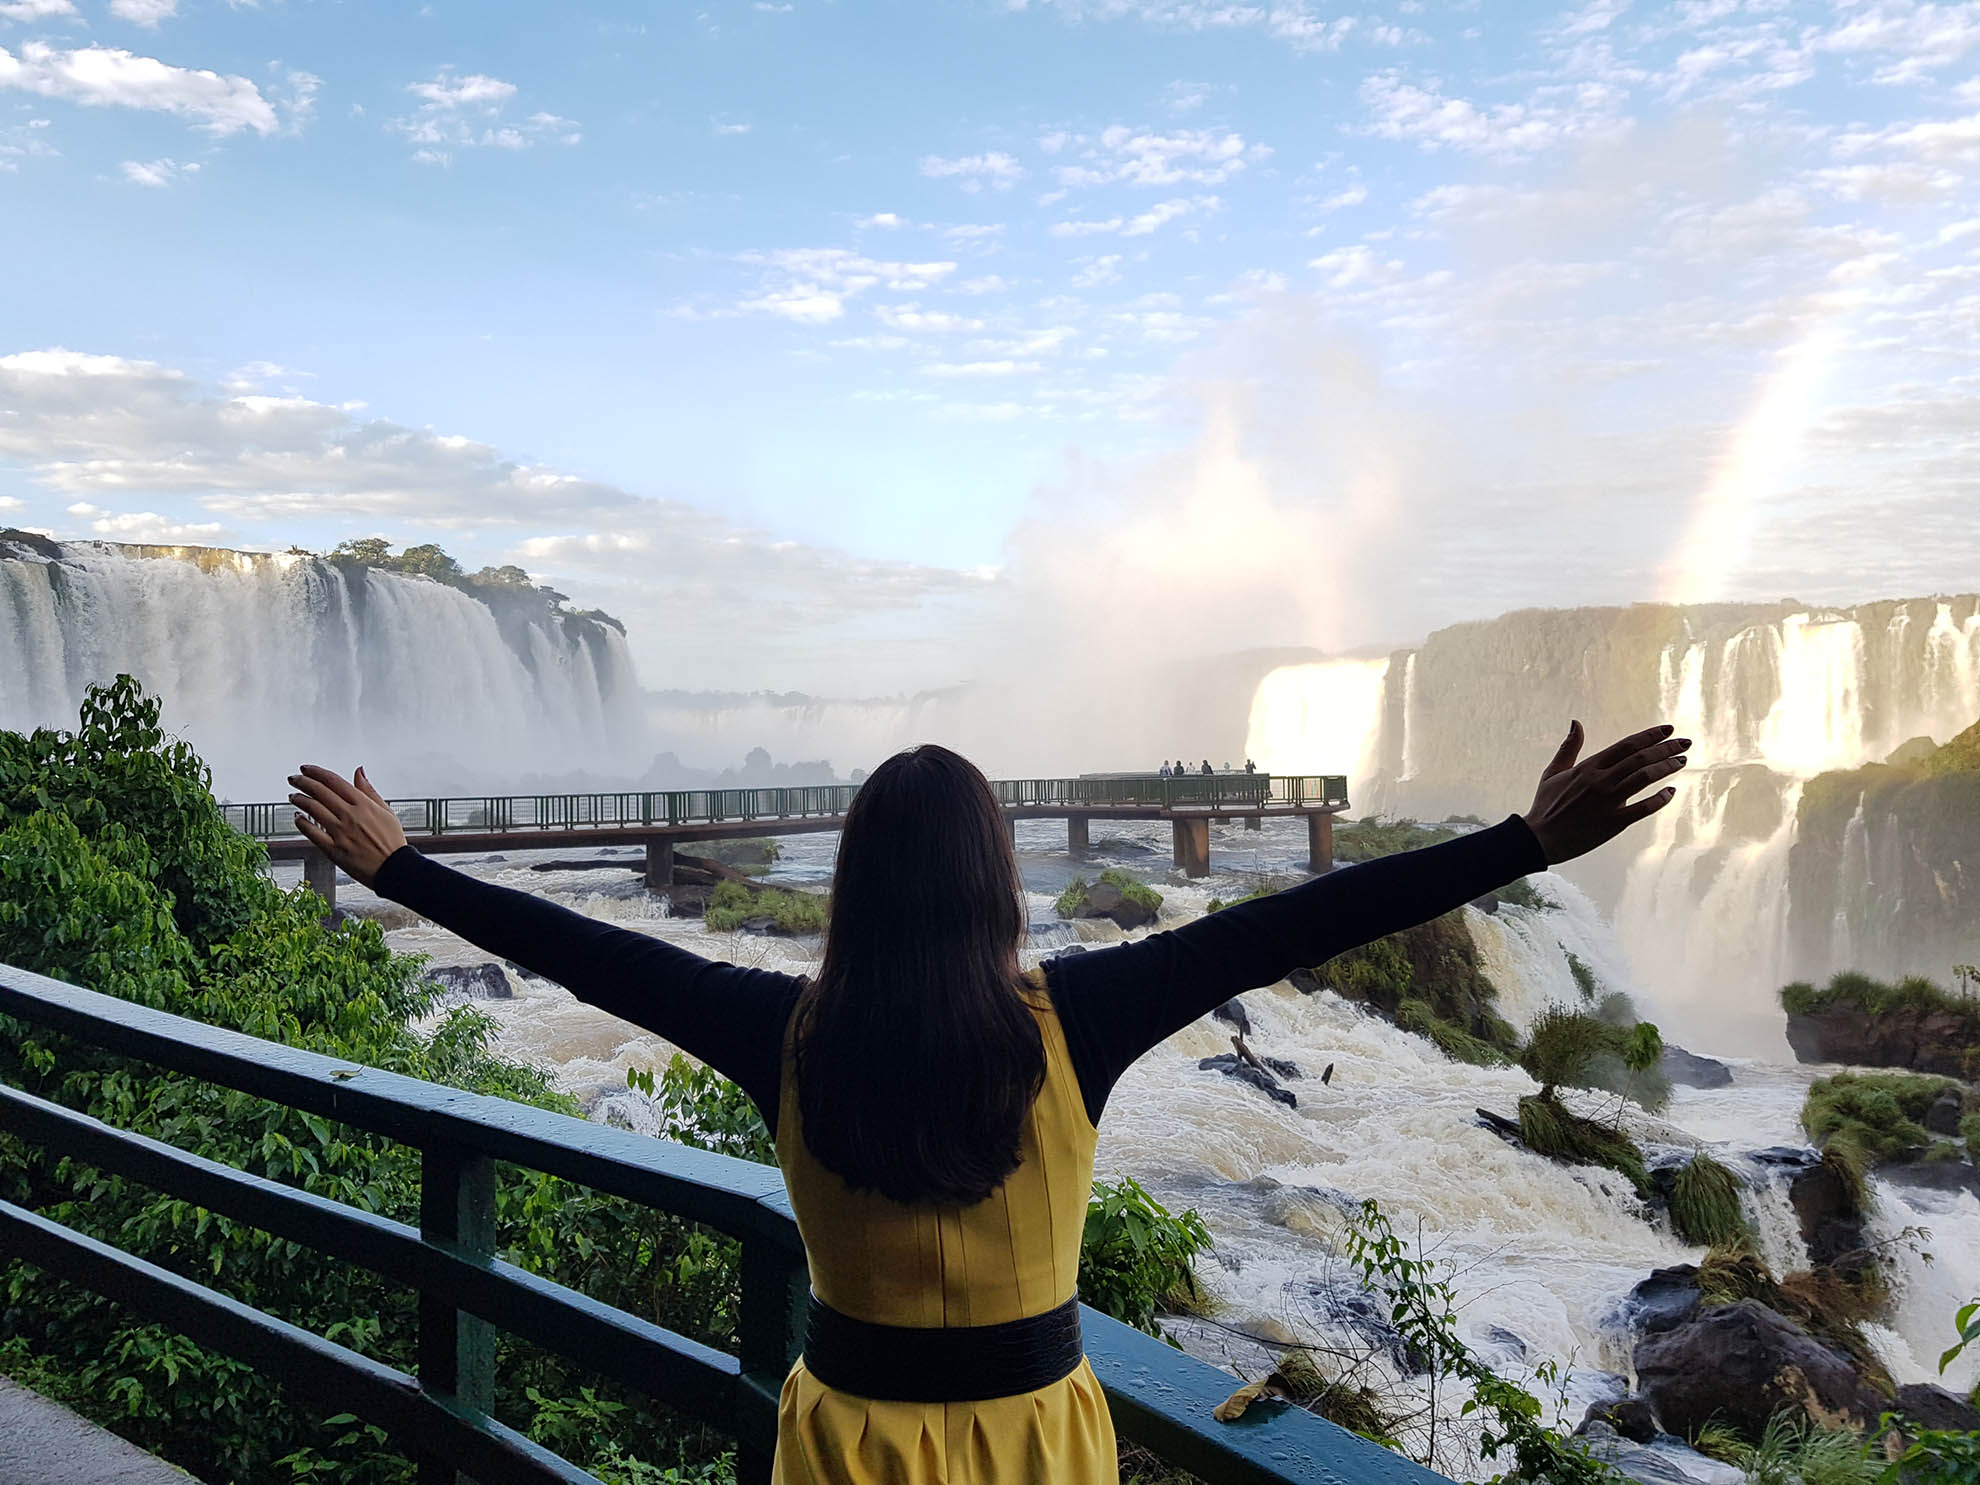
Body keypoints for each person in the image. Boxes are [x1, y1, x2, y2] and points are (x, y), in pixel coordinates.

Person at [287, 720, 1687, 1485]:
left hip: (849, 1443)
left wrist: (401, 864)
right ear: (995, 882)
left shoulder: (777, 1027)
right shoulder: (1079, 1017)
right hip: (1039, 1442)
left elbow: (585, 948)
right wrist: (1519, 841)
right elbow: (1295, 925)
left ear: (855, 887)